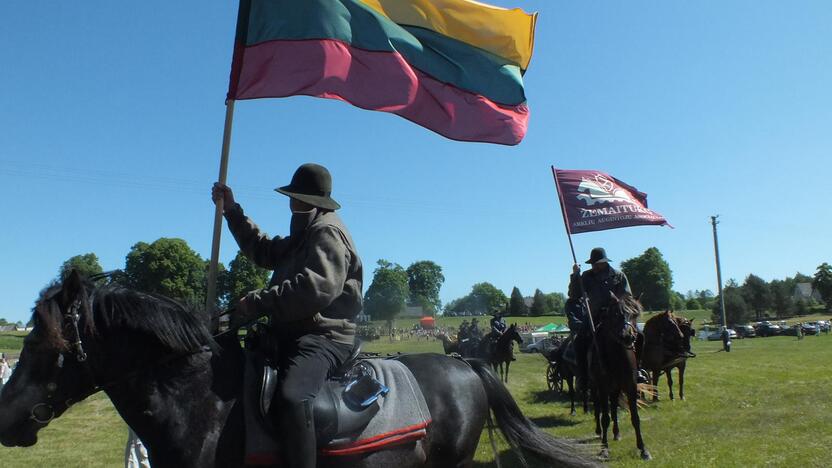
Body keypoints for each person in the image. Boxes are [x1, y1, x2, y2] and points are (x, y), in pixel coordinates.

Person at [212, 163, 362, 468]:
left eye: (292, 195)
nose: (290, 202)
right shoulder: (304, 232)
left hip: (323, 336)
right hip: (289, 331)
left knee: (294, 397)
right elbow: (264, 249)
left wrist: (258, 302)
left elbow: (316, 289)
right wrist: (232, 211)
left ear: (303, 199)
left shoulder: (327, 231)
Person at [567, 248, 632, 383]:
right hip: (594, 316)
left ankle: (637, 371)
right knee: (579, 341)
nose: (594, 266)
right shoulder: (586, 276)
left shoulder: (618, 275)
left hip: (617, 316)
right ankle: (583, 377)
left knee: (638, 337)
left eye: (597, 263)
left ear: (604, 262)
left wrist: (617, 303)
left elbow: (627, 295)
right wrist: (575, 276)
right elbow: (574, 294)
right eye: (593, 264)